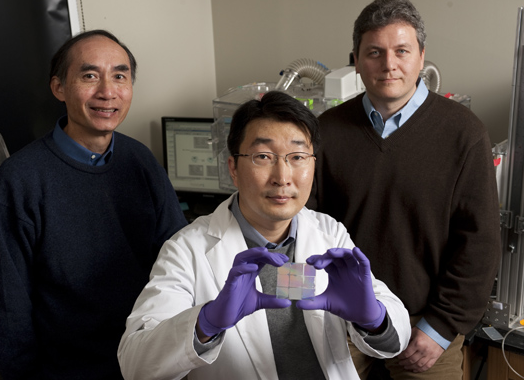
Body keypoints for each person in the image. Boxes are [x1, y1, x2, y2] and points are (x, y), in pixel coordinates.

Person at [117, 91, 411, 380]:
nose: (282, 177)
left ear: (313, 165)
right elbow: (135, 364)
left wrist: (374, 318)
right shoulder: (187, 249)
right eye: (263, 156)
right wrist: (206, 323)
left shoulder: (329, 232)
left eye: (297, 156)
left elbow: (394, 337)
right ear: (233, 168)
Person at [308, 0, 501, 379]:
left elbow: (479, 244)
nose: (389, 64)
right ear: (356, 60)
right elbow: (307, 225)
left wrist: (440, 327)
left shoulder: (464, 134)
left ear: (422, 56)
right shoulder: (325, 131)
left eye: (401, 50)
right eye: (374, 52)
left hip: (425, 326)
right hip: (340, 318)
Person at [0, 29, 187, 380]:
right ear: (59, 87)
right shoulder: (20, 179)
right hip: (71, 370)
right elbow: (6, 305)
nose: (107, 91)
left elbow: (179, 257)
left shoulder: (141, 161)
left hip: (148, 358)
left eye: (119, 76)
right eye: (90, 76)